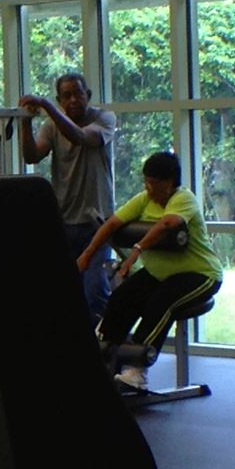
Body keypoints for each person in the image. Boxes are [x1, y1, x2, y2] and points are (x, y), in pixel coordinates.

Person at [81, 150, 223, 387]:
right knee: (121, 297)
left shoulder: (182, 198)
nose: (149, 188)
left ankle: (137, 370)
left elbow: (169, 223)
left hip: (200, 275)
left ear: (169, 183)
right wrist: (86, 255)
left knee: (160, 302)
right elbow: (112, 224)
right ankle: (103, 356)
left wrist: (137, 249)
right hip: (160, 274)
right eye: (146, 182)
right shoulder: (144, 199)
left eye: (154, 183)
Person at [17, 73, 118, 317]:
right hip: (64, 222)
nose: (73, 100)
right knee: (64, 293)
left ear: (88, 96)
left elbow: (81, 137)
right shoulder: (52, 126)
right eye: (66, 96)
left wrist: (47, 106)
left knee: (94, 290)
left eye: (78, 94)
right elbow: (32, 156)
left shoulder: (104, 118)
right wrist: (26, 121)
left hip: (97, 222)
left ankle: (104, 346)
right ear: (60, 99)